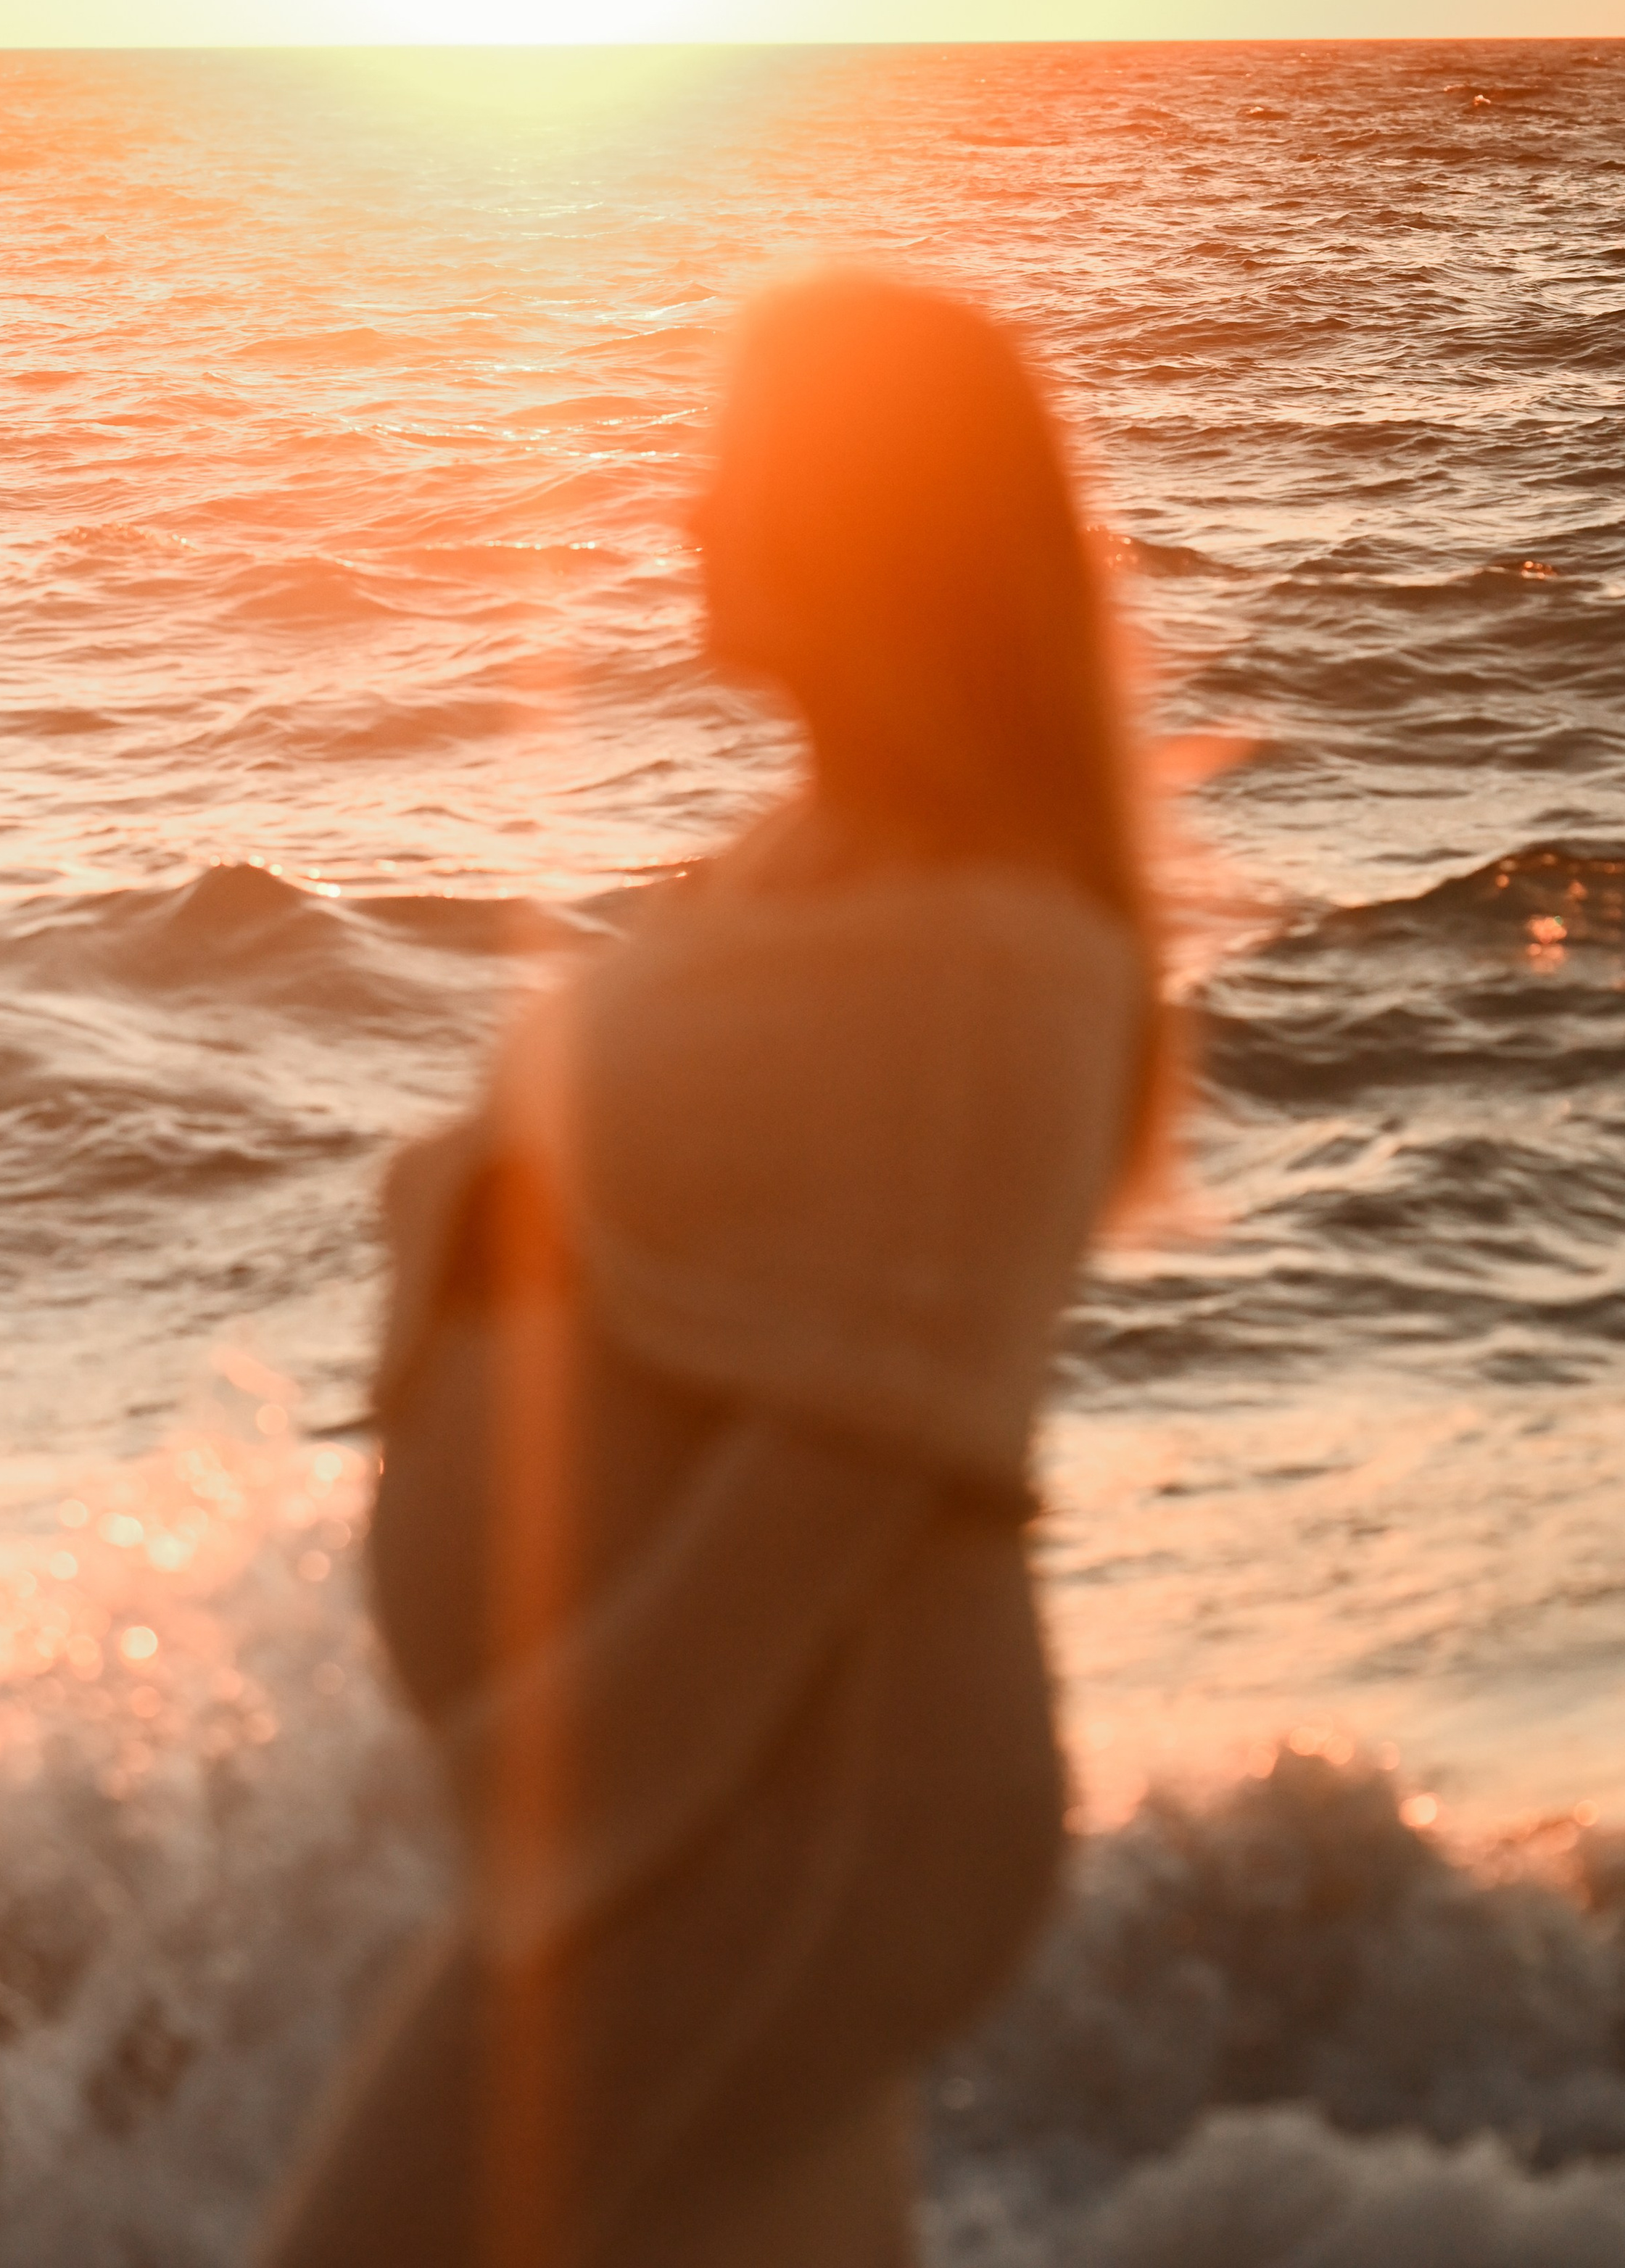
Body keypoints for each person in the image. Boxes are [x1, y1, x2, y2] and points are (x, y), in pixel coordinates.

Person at [254, 273, 1164, 2268]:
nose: (688, 512)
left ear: (875, 525)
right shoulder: (808, 865)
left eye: (741, 470)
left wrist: (556, 1793)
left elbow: (855, 1458)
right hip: (737, 1793)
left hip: (798, 1802)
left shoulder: (1002, 951)